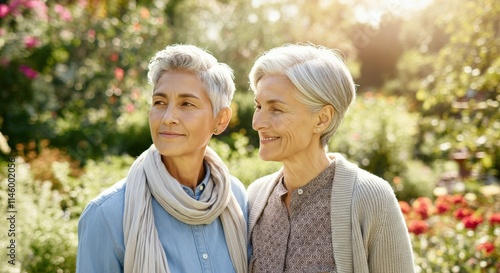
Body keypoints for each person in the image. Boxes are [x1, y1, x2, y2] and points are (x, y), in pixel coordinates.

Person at [77, 44, 248, 273]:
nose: (168, 117)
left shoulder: (235, 198)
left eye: (186, 104)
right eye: (159, 102)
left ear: (221, 119)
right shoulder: (107, 215)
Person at [247, 44, 415, 273]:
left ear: (322, 119)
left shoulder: (371, 198)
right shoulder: (255, 198)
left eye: (276, 109)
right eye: (259, 106)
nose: (258, 123)